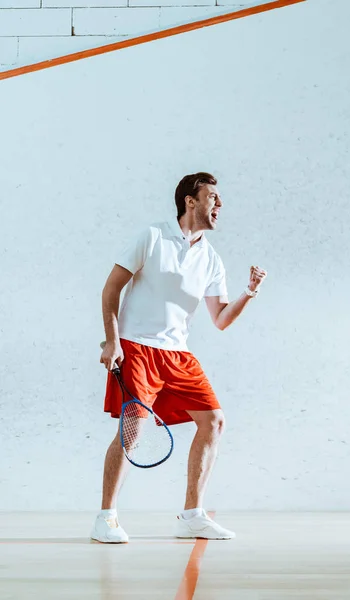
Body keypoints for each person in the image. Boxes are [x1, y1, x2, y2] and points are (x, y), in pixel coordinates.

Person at [91, 172, 267, 543]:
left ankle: (192, 515)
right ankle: (105, 518)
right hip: (136, 345)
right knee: (133, 429)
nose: (220, 204)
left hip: (177, 354)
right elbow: (110, 290)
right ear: (191, 200)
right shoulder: (152, 237)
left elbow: (219, 319)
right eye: (213, 197)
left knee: (214, 422)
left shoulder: (211, 258)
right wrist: (112, 342)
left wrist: (248, 294)